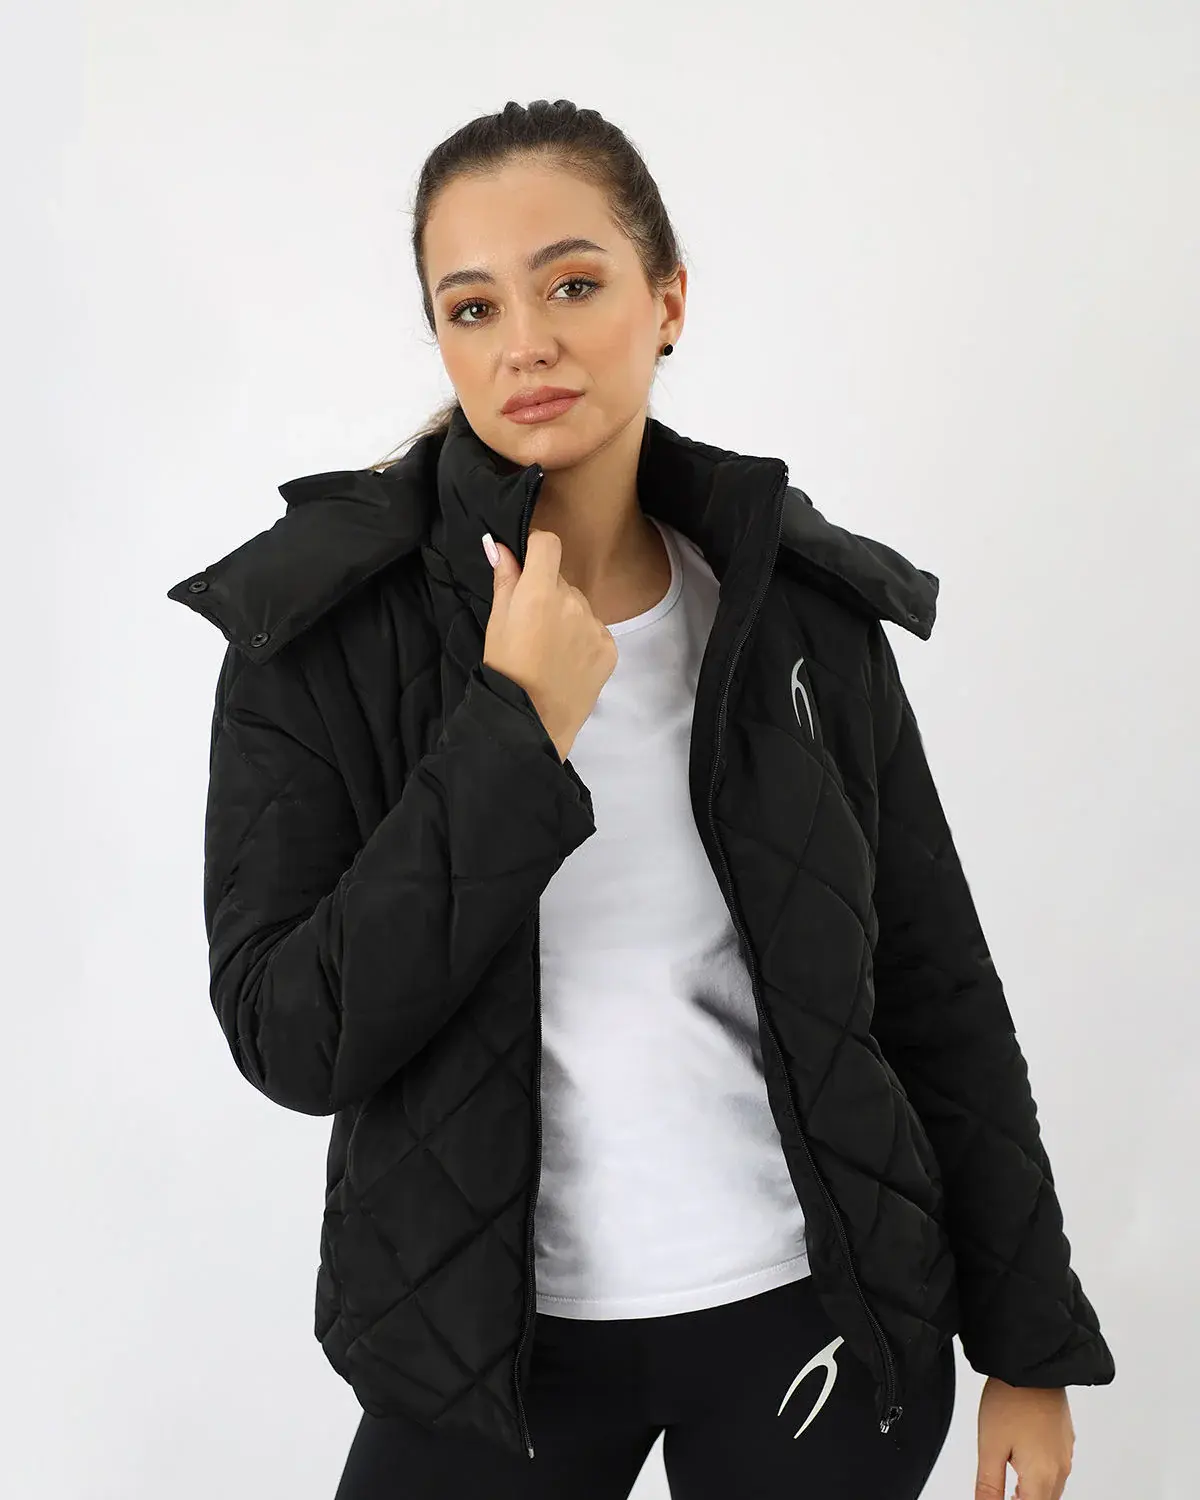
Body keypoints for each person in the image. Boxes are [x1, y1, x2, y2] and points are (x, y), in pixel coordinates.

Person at [167, 98, 1115, 1499]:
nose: (526, 342)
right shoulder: (319, 629)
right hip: (485, 1347)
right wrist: (518, 731)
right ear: (441, 340)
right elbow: (290, 1036)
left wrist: (1028, 1345)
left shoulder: (795, 609)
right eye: (473, 307)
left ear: (667, 300)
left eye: (572, 284)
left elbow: (934, 985)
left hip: (816, 1318)